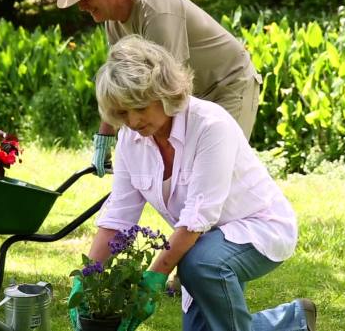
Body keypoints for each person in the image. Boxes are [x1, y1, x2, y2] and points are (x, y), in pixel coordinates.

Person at [68, 35, 316, 331]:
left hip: (259, 228)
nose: (132, 121)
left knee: (200, 264)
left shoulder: (210, 125)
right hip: (201, 244)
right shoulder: (130, 140)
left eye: (139, 107)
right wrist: (86, 280)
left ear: (162, 92)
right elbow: (118, 216)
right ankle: (292, 321)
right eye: (122, 112)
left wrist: (153, 280)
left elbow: (197, 219)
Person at [56, 0, 262, 178]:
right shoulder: (113, 22)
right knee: (188, 176)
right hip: (193, 90)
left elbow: (169, 89)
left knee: (218, 170)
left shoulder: (157, 14)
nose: (81, 6)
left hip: (229, 84)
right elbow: (119, 87)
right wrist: (104, 138)